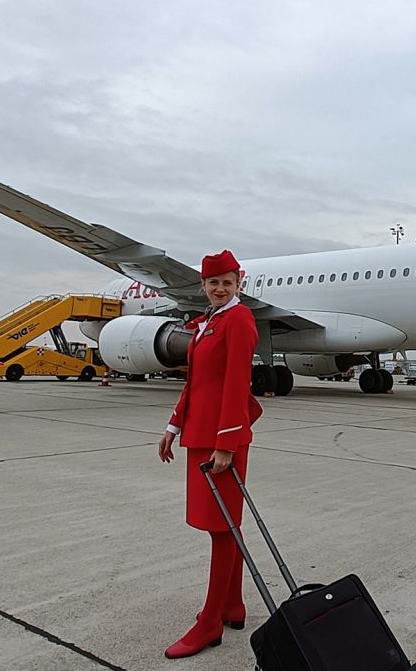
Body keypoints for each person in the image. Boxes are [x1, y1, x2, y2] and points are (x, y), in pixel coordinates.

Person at [157, 249, 263, 659]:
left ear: (240, 283)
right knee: (223, 525)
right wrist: (172, 426)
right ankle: (233, 604)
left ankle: (211, 622)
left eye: (227, 283)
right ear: (203, 285)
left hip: (222, 441)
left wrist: (226, 444)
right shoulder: (207, 324)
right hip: (199, 435)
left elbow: (238, 383)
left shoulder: (238, 320)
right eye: (213, 283)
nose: (220, 289)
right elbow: (197, 381)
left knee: (221, 527)